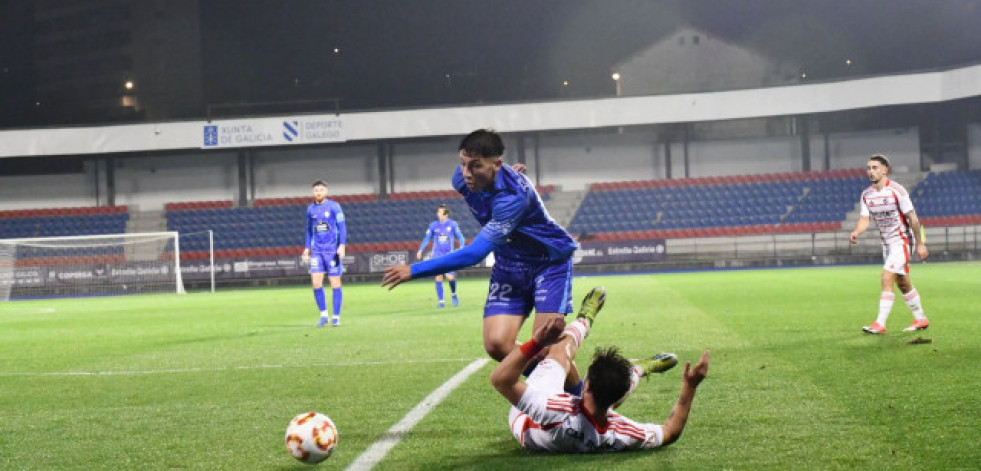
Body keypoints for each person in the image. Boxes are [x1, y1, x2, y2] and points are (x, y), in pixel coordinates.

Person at [382, 129, 580, 379]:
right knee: (497, 345)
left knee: (546, 347)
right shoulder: (462, 178)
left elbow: (474, 254)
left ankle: (575, 401)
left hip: (548, 264)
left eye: (475, 166)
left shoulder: (512, 199)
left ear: (496, 164)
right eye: (463, 164)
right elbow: (483, 174)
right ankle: (550, 384)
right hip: (509, 264)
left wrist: (414, 270)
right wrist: (501, 172)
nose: (466, 173)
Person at [490, 286, 709, 453]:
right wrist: (689, 387)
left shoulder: (553, 409)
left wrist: (537, 343)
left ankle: (585, 319)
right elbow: (670, 431)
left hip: (525, 421)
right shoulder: (621, 432)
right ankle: (638, 369)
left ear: (586, 386)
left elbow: (501, 380)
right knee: (610, 387)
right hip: (587, 416)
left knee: (559, 354)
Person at [849, 154, 930, 334]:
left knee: (886, 277)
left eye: (875, 168)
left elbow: (912, 218)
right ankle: (921, 318)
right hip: (886, 245)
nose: (871, 171)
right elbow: (864, 219)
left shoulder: (897, 191)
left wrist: (920, 244)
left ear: (885, 170)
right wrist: (856, 232)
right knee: (903, 283)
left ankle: (880, 323)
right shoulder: (866, 195)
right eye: (869, 168)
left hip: (901, 241)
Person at [301, 180, 347, 327]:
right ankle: (323, 315)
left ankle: (336, 316)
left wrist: (342, 245)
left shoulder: (334, 206)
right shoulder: (310, 210)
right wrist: (307, 247)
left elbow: (342, 226)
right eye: (316, 190)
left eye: (321, 190)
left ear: (326, 191)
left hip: (332, 250)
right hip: (317, 251)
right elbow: (309, 230)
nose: (318, 192)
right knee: (316, 282)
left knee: (335, 283)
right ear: (313, 192)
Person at [416, 204, 466, 308]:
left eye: (440, 212)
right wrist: (420, 250)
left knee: (449, 277)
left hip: (449, 255)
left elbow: (460, 236)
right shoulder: (433, 225)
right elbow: (427, 238)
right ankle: (441, 301)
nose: (438, 214)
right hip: (437, 255)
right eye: (438, 212)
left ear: (446, 214)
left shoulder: (452, 224)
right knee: (438, 276)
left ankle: (453, 294)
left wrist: (462, 246)